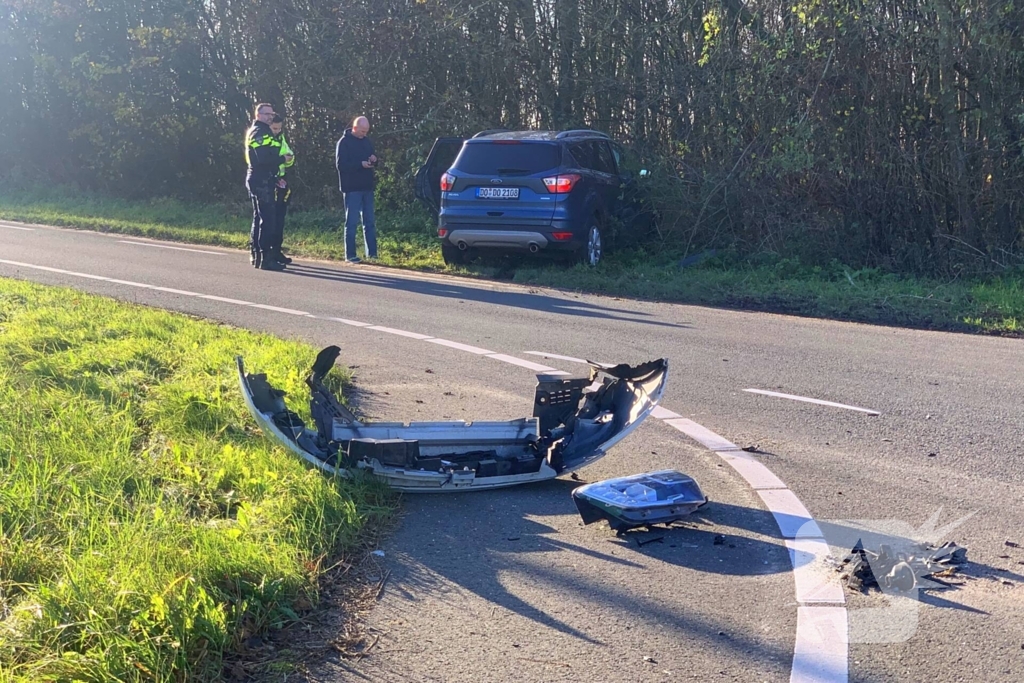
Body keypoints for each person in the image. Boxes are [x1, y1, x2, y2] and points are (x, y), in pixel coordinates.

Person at [244, 102, 291, 270]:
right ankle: (265, 258)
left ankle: (259, 256)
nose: (270, 117)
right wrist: (281, 160)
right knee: (267, 219)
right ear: (258, 115)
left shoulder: (264, 131)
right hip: (260, 180)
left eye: (271, 114)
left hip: (266, 178)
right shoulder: (259, 132)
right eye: (266, 114)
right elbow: (262, 159)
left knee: (261, 218)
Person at [335, 116, 378, 262]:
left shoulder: (366, 141)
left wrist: (374, 160)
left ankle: (372, 254)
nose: (364, 134)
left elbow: (373, 158)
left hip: (367, 187)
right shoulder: (344, 142)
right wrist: (360, 164)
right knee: (351, 222)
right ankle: (350, 255)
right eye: (362, 131)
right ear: (354, 128)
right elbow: (341, 165)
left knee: (369, 222)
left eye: (366, 131)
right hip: (351, 188)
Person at [270, 114, 294, 265]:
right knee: (270, 220)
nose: (277, 131)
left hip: (282, 181)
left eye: (279, 128)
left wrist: (290, 158)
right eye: (275, 128)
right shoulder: (265, 138)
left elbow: (289, 156)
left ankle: (277, 251)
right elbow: (266, 160)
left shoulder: (281, 138)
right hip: (270, 182)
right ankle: (268, 253)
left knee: (280, 219)